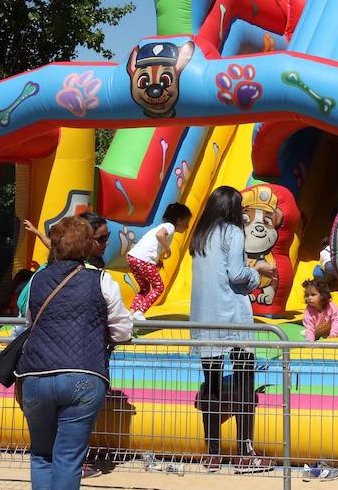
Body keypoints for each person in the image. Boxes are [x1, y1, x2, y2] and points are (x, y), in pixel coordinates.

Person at [14, 216, 132, 490]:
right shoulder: (102, 281)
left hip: (35, 374)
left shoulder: (38, 279)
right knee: (68, 458)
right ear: (87, 247)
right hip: (84, 374)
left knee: (42, 455)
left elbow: (31, 322)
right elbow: (122, 330)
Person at [189, 186, 276, 474]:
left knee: (211, 385)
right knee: (243, 384)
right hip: (232, 316)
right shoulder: (233, 233)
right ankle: (244, 451)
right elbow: (236, 274)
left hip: (204, 318)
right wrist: (258, 272)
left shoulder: (200, 235)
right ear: (232, 209)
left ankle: (212, 451)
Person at [126, 202, 192, 320]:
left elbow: (152, 245)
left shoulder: (163, 226)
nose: (187, 226)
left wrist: (158, 261)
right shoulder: (170, 227)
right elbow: (160, 235)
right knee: (159, 287)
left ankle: (130, 314)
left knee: (145, 288)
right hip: (143, 260)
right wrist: (168, 249)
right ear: (179, 219)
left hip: (132, 257)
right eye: (186, 222)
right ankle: (140, 312)